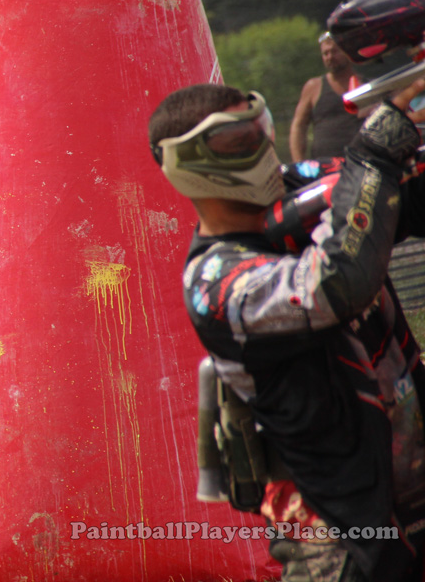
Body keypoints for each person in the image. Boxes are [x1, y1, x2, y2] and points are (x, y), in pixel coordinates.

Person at [147, 80, 425, 581]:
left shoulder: (300, 183)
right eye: (239, 141)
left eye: (261, 130)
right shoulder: (215, 283)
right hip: (340, 536)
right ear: (188, 165)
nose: (261, 150)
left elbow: (399, 194)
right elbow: (339, 281)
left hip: (411, 495)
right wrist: (374, 156)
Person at [289, 32, 365, 161]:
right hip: (324, 165)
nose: (330, 57)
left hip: (360, 162)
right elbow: (298, 126)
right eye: (325, 53)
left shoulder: (365, 85)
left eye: (335, 51)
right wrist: (299, 164)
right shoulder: (313, 87)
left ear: (348, 52)